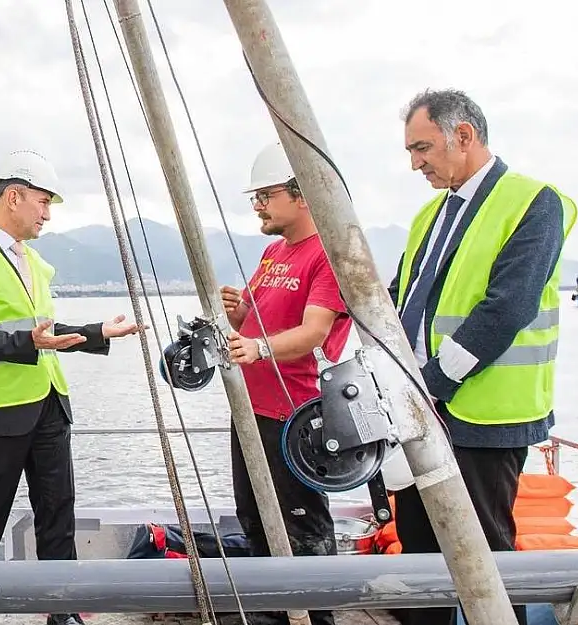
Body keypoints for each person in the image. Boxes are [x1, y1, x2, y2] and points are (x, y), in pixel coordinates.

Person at [0, 149, 143, 625]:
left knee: (58, 513)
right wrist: (31, 340)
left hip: (48, 403)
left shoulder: (36, 262)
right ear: (13, 197)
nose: (48, 214)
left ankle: (61, 611)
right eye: (43, 202)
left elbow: (44, 329)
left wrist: (97, 333)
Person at [388, 89, 577, 625]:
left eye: (422, 147)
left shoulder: (534, 201)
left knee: (487, 555)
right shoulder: (431, 213)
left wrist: (430, 384)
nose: (415, 163)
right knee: (420, 550)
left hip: (486, 415)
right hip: (424, 409)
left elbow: (506, 308)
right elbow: (402, 296)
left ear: (463, 136)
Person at [218, 141, 352, 625]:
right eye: (255, 197)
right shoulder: (275, 252)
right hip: (252, 411)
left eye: (266, 195)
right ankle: (272, 615)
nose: (258, 206)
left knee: (303, 528)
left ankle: (317, 618)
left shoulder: (327, 255)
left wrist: (259, 348)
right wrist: (238, 314)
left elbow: (315, 331)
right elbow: (254, 324)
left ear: (302, 196)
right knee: (255, 520)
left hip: (296, 418)